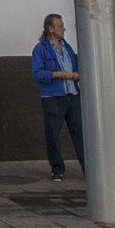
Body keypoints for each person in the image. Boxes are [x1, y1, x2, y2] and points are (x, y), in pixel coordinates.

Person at [31, 12, 85, 182]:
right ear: (51, 29)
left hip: (72, 94)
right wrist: (59, 74)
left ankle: (88, 167)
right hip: (53, 97)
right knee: (53, 134)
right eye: (60, 26)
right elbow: (38, 73)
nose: (64, 29)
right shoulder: (40, 49)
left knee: (80, 133)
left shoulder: (67, 47)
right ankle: (57, 169)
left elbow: (75, 66)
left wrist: (76, 75)